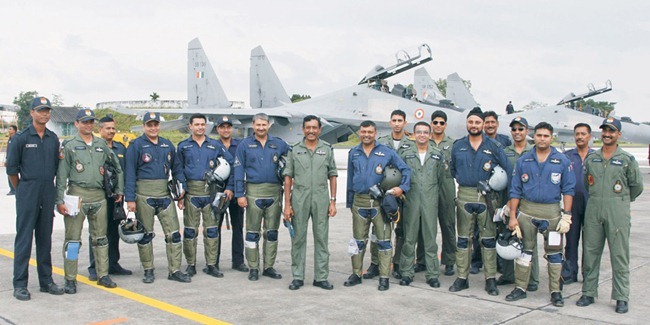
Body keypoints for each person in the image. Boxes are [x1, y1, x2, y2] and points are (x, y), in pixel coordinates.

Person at [576, 117, 643, 314]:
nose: (607, 134)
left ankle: (621, 296)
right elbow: (588, 184)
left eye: (611, 131)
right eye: (604, 130)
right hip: (594, 208)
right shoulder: (592, 158)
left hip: (617, 210)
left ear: (618, 135)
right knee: (590, 252)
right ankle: (588, 292)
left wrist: (620, 201)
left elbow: (636, 187)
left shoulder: (627, 160)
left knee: (619, 254)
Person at [506, 122, 575, 307]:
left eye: (545, 135)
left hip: (551, 213)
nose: (542, 139)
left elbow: (568, 189)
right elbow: (515, 190)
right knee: (524, 252)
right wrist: (513, 216)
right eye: (539, 135)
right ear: (533, 137)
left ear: (551, 137)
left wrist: (567, 215)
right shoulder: (524, 160)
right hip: (527, 212)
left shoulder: (562, 161)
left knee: (554, 253)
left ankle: (555, 291)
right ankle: (521, 288)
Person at [56, 108, 124, 293]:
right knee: (72, 241)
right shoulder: (69, 146)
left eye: (91, 122)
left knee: (101, 239)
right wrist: (59, 199)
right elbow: (62, 175)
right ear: (77, 124)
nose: (88, 125)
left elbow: (117, 167)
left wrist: (119, 189)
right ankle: (70, 279)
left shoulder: (101, 144)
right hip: (77, 196)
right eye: (84, 122)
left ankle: (103, 275)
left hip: (99, 196)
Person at [7, 97, 64, 300]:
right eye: (40, 110)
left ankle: (46, 281)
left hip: (47, 191)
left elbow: (57, 169)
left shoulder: (52, 138)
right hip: (27, 190)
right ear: (31, 113)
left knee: (44, 238)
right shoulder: (21, 138)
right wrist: (22, 190)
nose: (44, 114)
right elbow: (12, 170)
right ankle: (20, 284)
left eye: (47, 111)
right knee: (24, 239)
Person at [448, 107, 509, 296]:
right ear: (467, 123)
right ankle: (462, 277)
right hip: (465, 194)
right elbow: (452, 170)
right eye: (471, 122)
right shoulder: (458, 146)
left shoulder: (494, 146)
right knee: (463, 239)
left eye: (477, 122)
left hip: (487, 197)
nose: (474, 125)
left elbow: (507, 170)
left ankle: (490, 279)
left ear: (483, 124)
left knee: (488, 239)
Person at [125, 112, 191, 284]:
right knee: (145, 235)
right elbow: (130, 173)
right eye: (149, 125)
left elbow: (177, 169)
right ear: (144, 126)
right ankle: (148, 269)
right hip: (143, 195)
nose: (153, 128)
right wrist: (130, 199)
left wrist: (181, 191)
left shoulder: (167, 145)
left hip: (164, 194)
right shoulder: (136, 145)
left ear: (159, 126)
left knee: (174, 234)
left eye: (155, 124)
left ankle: (175, 270)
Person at [344, 120, 410, 291]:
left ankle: (384, 277)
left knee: (384, 241)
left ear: (375, 133)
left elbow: (406, 170)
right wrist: (350, 203)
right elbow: (350, 180)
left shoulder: (386, 152)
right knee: (358, 241)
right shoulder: (354, 153)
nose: (366, 135)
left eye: (370, 132)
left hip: (380, 203)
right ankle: (356, 274)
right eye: (363, 131)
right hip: (359, 202)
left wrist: (401, 188)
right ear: (359, 132)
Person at [283, 115, 338, 290]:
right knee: (298, 238)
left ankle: (321, 277)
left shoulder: (327, 149)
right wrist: (287, 204)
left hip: (321, 198)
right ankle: (298, 277)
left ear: (320, 129)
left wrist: (333, 201)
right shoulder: (294, 149)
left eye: (314, 128)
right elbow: (288, 178)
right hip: (299, 198)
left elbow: (333, 175)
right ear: (303, 129)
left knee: (321, 238)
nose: (311, 131)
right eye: (308, 127)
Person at [176, 113, 234, 278]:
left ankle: (211, 265)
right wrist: (181, 193)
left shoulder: (215, 145)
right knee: (189, 232)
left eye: (203, 124)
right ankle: (191, 264)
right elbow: (178, 170)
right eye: (197, 124)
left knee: (211, 231)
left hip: (211, 192)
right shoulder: (183, 146)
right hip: (191, 193)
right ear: (190, 126)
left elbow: (231, 164)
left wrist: (229, 188)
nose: (200, 127)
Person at [234, 113, 289, 281]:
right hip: (253, 192)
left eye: (264, 125)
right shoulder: (244, 145)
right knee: (252, 233)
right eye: (258, 125)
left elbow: (291, 162)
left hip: (274, 192)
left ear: (269, 126)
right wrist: (239, 194)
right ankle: (253, 267)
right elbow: (238, 169)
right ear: (253, 125)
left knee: (271, 232)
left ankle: (269, 267)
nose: (261, 128)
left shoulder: (279, 144)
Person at [367, 109, 413, 279]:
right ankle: (375, 263)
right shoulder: (381, 143)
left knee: (401, 230)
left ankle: (398, 263)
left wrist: (403, 188)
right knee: (377, 230)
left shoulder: (411, 143)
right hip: (383, 194)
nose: (397, 123)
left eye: (400, 120)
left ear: (405, 123)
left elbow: (409, 169)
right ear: (390, 122)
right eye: (394, 120)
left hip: (403, 193)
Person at [496, 117, 539, 292]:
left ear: (527, 131)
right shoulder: (504, 152)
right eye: (514, 129)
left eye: (521, 129)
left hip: (528, 202)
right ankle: (508, 275)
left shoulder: (534, 152)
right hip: (507, 200)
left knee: (528, 241)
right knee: (506, 237)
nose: (517, 132)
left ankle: (532, 278)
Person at [398, 121, 444, 287]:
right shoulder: (406, 154)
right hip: (411, 200)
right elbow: (401, 176)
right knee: (409, 237)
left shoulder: (437, 154)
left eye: (425, 132)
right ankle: (406, 272)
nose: (422, 135)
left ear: (430, 135)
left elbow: (440, 179)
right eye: (419, 132)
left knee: (430, 238)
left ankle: (432, 274)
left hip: (430, 201)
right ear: (413, 134)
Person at [87, 115, 132, 281]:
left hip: (117, 197)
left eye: (113, 128)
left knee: (114, 231)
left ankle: (113, 263)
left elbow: (125, 171)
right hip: (99, 195)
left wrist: (125, 194)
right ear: (100, 130)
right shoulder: (95, 147)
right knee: (97, 232)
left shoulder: (121, 148)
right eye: (108, 128)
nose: (111, 131)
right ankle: (95, 267)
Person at [470, 110, 511, 274]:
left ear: (497, 124)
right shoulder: (477, 141)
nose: (490, 125)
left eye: (492, 122)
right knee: (478, 229)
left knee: (499, 225)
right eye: (486, 122)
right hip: (482, 190)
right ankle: (477, 260)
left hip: (499, 191)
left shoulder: (504, 142)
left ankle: (499, 261)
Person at [215, 116, 248, 272]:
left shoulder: (240, 145)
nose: (226, 130)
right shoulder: (213, 146)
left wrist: (234, 189)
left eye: (228, 127)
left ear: (232, 129)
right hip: (218, 192)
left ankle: (238, 261)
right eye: (222, 127)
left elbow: (240, 167)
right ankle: (213, 261)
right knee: (214, 227)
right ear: (217, 129)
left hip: (236, 191)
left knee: (238, 227)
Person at [561, 123, 593, 285]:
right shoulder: (567, 157)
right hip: (572, 202)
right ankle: (570, 272)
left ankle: (588, 273)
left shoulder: (596, 157)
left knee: (590, 241)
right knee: (571, 239)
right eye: (577, 134)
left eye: (583, 134)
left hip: (591, 203)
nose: (580, 137)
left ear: (589, 136)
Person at [429, 111, 456, 276]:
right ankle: (423, 259)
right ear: (431, 123)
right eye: (435, 122)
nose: (438, 125)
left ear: (445, 125)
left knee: (448, 224)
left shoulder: (452, 144)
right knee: (426, 225)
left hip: (447, 185)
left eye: (441, 123)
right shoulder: (424, 140)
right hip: (429, 185)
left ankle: (450, 260)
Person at [6, 124, 17, 195]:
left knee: (14, 173)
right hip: (9, 159)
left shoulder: (16, 139)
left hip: (15, 159)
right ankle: (12, 189)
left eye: (10, 129)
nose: (9, 130)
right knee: (9, 174)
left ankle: (15, 189)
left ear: (14, 130)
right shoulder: (10, 139)